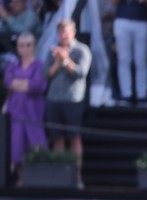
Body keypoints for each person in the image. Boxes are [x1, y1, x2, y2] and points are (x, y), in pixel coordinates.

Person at [44, 18, 91, 188]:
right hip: (53, 99)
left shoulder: (82, 50)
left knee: (74, 138)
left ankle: (76, 177)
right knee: (57, 138)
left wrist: (65, 61)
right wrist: (58, 62)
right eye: (61, 32)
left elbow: (81, 73)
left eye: (66, 32)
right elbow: (46, 75)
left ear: (74, 32)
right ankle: (59, 176)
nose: (63, 35)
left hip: (73, 100)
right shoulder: (52, 51)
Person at [3, 32, 47, 184]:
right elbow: (8, 81)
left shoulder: (40, 65)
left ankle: (37, 179)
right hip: (15, 111)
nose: (25, 48)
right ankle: (20, 178)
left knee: (35, 142)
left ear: (34, 47)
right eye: (21, 45)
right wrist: (25, 83)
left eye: (28, 45)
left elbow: (37, 86)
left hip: (33, 112)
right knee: (16, 144)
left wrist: (18, 83)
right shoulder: (13, 65)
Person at [113, 0, 147, 105]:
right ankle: (126, 94)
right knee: (123, 59)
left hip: (142, 20)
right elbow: (113, 1)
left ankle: (142, 94)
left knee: (141, 60)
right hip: (122, 19)